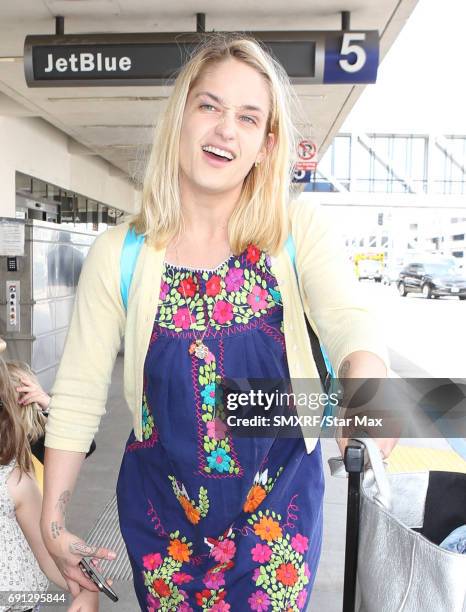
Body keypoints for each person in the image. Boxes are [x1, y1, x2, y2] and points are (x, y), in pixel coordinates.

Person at [42, 33, 396, 610]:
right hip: (162, 515)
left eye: (248, 117)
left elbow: (351, 323)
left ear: (265, 144)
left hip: (277, 509)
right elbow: (80, 392)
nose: (225, 128)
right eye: (209, 106)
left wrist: (365, 388)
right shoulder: (121, 254)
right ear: (180, 117)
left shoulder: (295, 233)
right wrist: (55, 524)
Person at [0, 357, 99, 612]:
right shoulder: (12, 471)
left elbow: (83, 443)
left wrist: (47, 402)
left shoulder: (37, 441)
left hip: (33, 534)